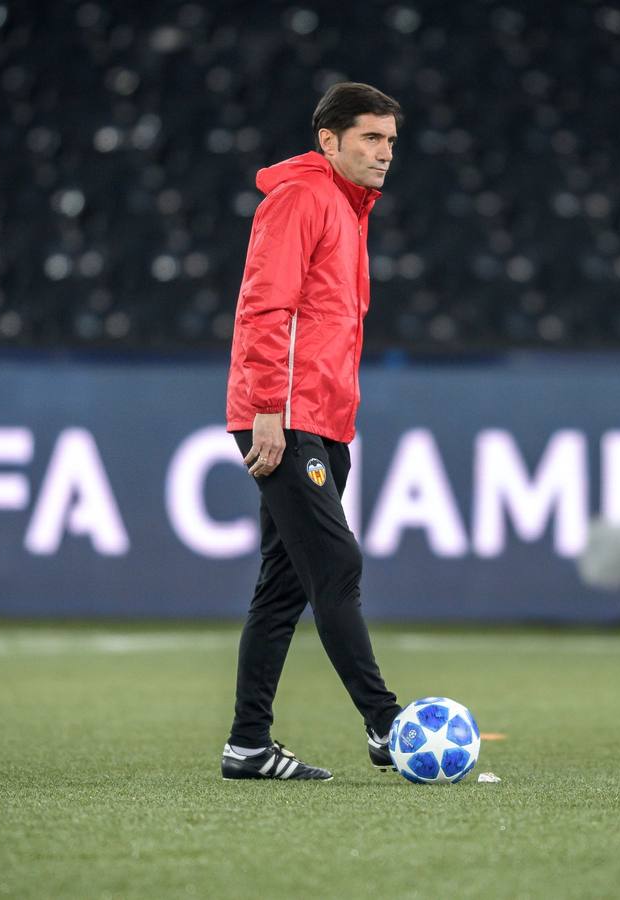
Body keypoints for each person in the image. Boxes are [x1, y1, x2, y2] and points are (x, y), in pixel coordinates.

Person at [220, 82, 405, 781]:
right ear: (329, 140)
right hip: (283, 417)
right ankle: (387, 725)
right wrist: (268, 405)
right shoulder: (302, 198)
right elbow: (265, 305)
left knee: (283, 586)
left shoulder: (350, 209)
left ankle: (248, 744)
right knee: (337, 566)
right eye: (370, 138)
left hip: (322, 421)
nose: (385, 152)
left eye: (390, 140)